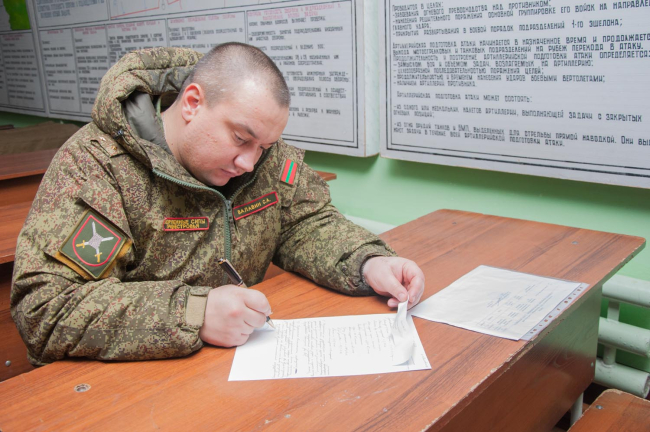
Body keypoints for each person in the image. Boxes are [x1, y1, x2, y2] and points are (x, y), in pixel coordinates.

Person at [11, 43, 424, 365]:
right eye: (240, 139)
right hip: (119, 385)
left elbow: (305, 222)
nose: (250, 162)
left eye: (263, 146)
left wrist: (367, 261)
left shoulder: (261, 152)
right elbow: (46, 309)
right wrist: (192, 313)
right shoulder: (96, 166)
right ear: (193, 103)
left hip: (230, 363)